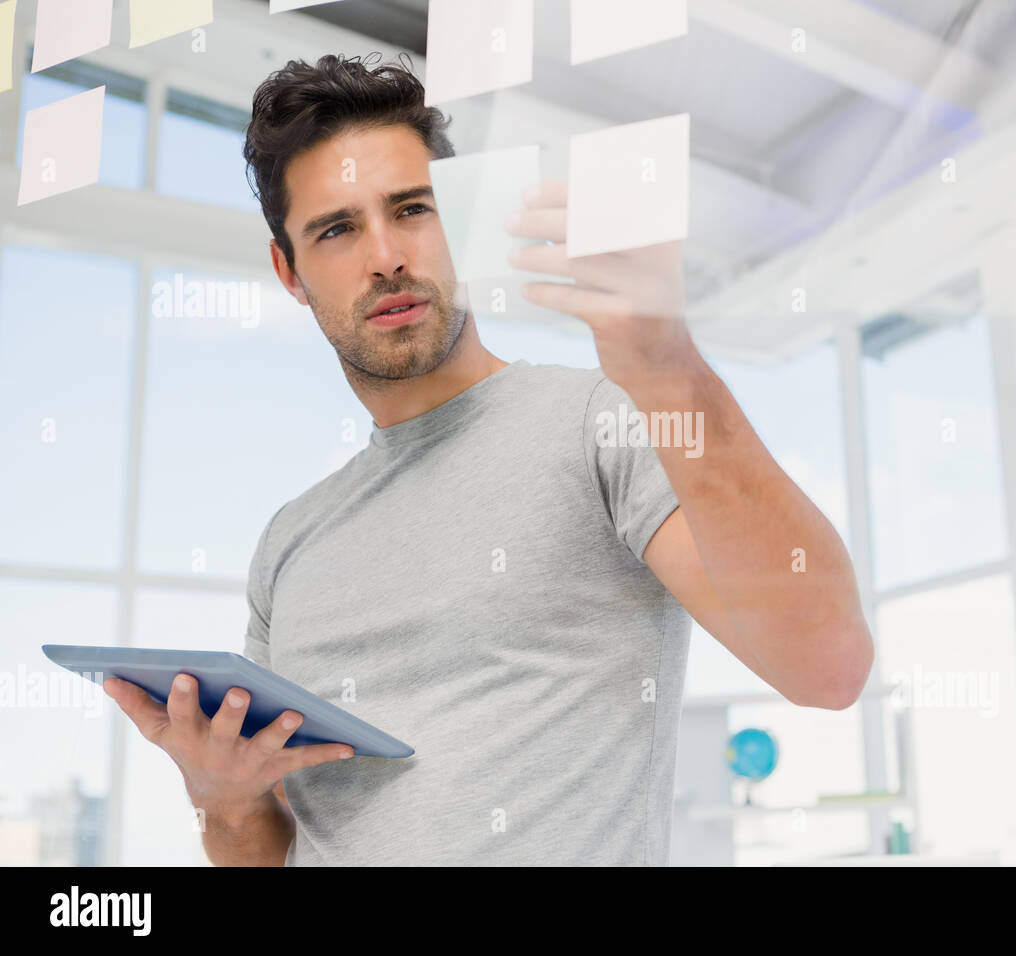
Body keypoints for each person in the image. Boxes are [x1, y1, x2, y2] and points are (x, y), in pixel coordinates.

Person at [103, 53, 872, 866]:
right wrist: (223, 802)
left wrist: (669, 365)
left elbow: (827, 667)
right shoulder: (289, 543)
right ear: (288, 271)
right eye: (337, 228)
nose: (387, 256)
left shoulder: (601, 424)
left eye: (412, 209)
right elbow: (271, 853)